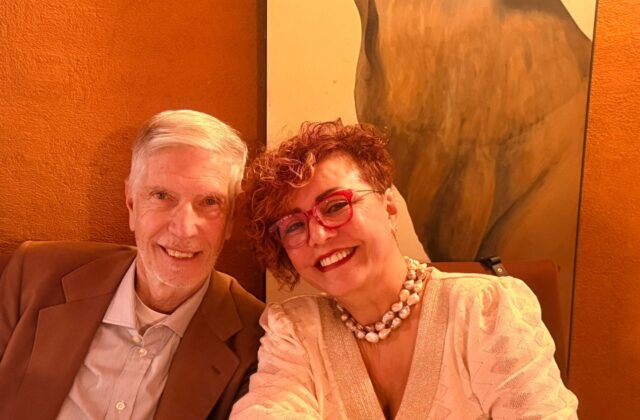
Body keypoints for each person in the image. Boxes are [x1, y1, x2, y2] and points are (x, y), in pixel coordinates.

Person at [231, 120, 578, 419]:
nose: (318, 235)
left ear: (390, 208)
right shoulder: (295, 330)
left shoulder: (485, 308)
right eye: (294, 226)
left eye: (335, 206)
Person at [0, 110, 264, 419]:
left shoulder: (257, 341)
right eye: (162, 195)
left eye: (209, 202)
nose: (184, 229)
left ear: (231, 218)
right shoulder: (35, 275)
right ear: (131, 202)